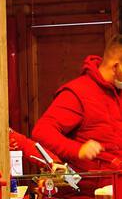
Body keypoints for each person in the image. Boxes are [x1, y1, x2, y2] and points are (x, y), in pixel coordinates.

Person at [31, 35, 122, 168]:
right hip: (95, 186)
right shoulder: (78, 92)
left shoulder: (118, 91)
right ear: (116, 67)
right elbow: (42, 131)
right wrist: (78, 150)